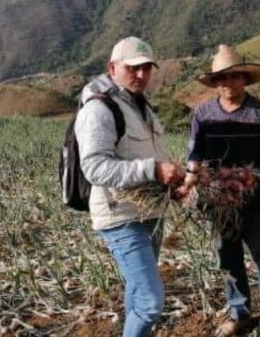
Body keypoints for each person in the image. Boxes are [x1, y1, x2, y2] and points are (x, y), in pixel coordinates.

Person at [74, 36, 184, 337]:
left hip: (149, 212)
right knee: (150, 302)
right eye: (132, 68)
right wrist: (153, 169)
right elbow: (95, 167)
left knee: (138, 292)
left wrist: (172, 183)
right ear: (112, 67)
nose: (141, 75)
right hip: (121, 217)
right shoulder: (99, 109)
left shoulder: (141, 106)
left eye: (147, 68)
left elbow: (151, 157)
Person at [187, 45, 260, 337]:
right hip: (219, 205)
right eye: (221, 78)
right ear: (215, 82)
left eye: (234, 77)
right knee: (229, 263)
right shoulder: (203, 115)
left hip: (259, 205)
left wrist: (252, 177)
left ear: (244, 79)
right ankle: (239, 314)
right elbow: (194, 156)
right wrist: (190, 180)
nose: (228, 84)